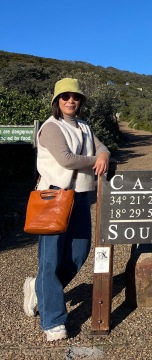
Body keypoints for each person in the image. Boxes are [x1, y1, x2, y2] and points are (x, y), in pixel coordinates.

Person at [23, 78, 110, 342]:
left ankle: (39, 288)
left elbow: (101, 147)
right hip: (54, 197)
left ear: (81, 101)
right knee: (50, 260)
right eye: (65, 96)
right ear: (57, 101)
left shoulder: (84, 126)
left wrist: (104, 155)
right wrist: (97, 160)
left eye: (75, 97)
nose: (71, 101)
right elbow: (66, 159)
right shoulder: (51, 127)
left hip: (80, 196)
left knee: (79, 253)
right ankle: (53, 320)